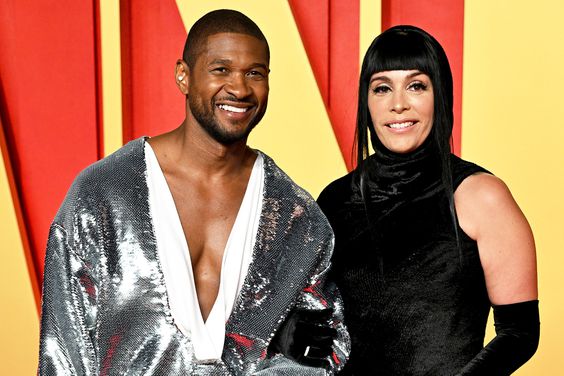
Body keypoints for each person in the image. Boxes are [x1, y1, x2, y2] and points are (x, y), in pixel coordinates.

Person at [38, 9, 349, 375]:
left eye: (255, 73)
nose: (239, 88)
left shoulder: (297, 218)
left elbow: (327, 354)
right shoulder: (103, 196)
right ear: (183, 76)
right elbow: (63, 355)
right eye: (221, 70)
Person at [314, 25, 539, 375]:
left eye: (416, 86)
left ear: (440, 95)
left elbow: (519, 332)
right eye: (382, 88)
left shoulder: (481, 196)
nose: (398, 104)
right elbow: (314, 316)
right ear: (367, 101)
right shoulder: (334, 200)